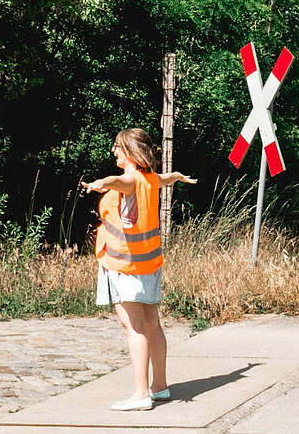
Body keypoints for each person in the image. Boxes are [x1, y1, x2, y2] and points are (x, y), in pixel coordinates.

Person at [81, 128, 196, 411]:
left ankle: (141, 393)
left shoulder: (131, 179)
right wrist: (178, 177)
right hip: (148, 264)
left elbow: (117, 181)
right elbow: (165, 179)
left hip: (126, 265)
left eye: (118, 147)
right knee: (152, 325)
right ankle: (160, 387)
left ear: (131, 152)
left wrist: (100, 182)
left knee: (134, 328)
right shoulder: (150, 179)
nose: (113, 151)